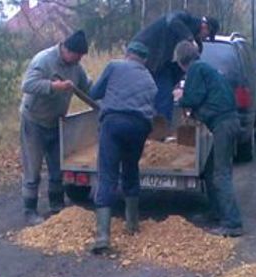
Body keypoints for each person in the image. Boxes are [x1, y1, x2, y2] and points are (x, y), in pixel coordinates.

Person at [88, 42, 158, 253]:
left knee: (107, 174)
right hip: (140, 127)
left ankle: (102, 237)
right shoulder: (150, 80)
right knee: (130, 168)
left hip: (114, 123)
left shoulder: (114, 66)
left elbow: (94, 92)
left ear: (128, 54)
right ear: (144, 60)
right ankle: (132, 224)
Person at [19, 30, 91, 224]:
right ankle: (29, 210)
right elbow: (27, 85)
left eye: (81, 57)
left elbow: (87, 87)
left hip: (57, 121)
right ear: (66, 49)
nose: (79, 59)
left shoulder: (76, 67)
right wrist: (53, 87)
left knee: (57, 166)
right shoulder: (43, 60)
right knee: (33, 167)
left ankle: (57, 206)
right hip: (34, 121)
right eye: (77, 55)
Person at [173, 40, 243, 237]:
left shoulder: (195, 69)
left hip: (223, 124)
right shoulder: (206, 68)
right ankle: (216, 212)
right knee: (211, 169)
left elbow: (193, 98)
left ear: (180, 61)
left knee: (221, 174)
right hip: (229, 122)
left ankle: (233, 223)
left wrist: (180, 96)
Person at [132, 11, 219, 122]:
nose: (206, 38)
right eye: (207, 35)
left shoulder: (197, 48)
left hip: (162, 66)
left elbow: (184, 67)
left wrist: (176, 84)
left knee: (164, 97)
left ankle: (161, 130)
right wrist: (190, 39)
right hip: (142, 54)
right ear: (204, 27)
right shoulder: (184, 18)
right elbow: (171, 21)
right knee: (138, 95)